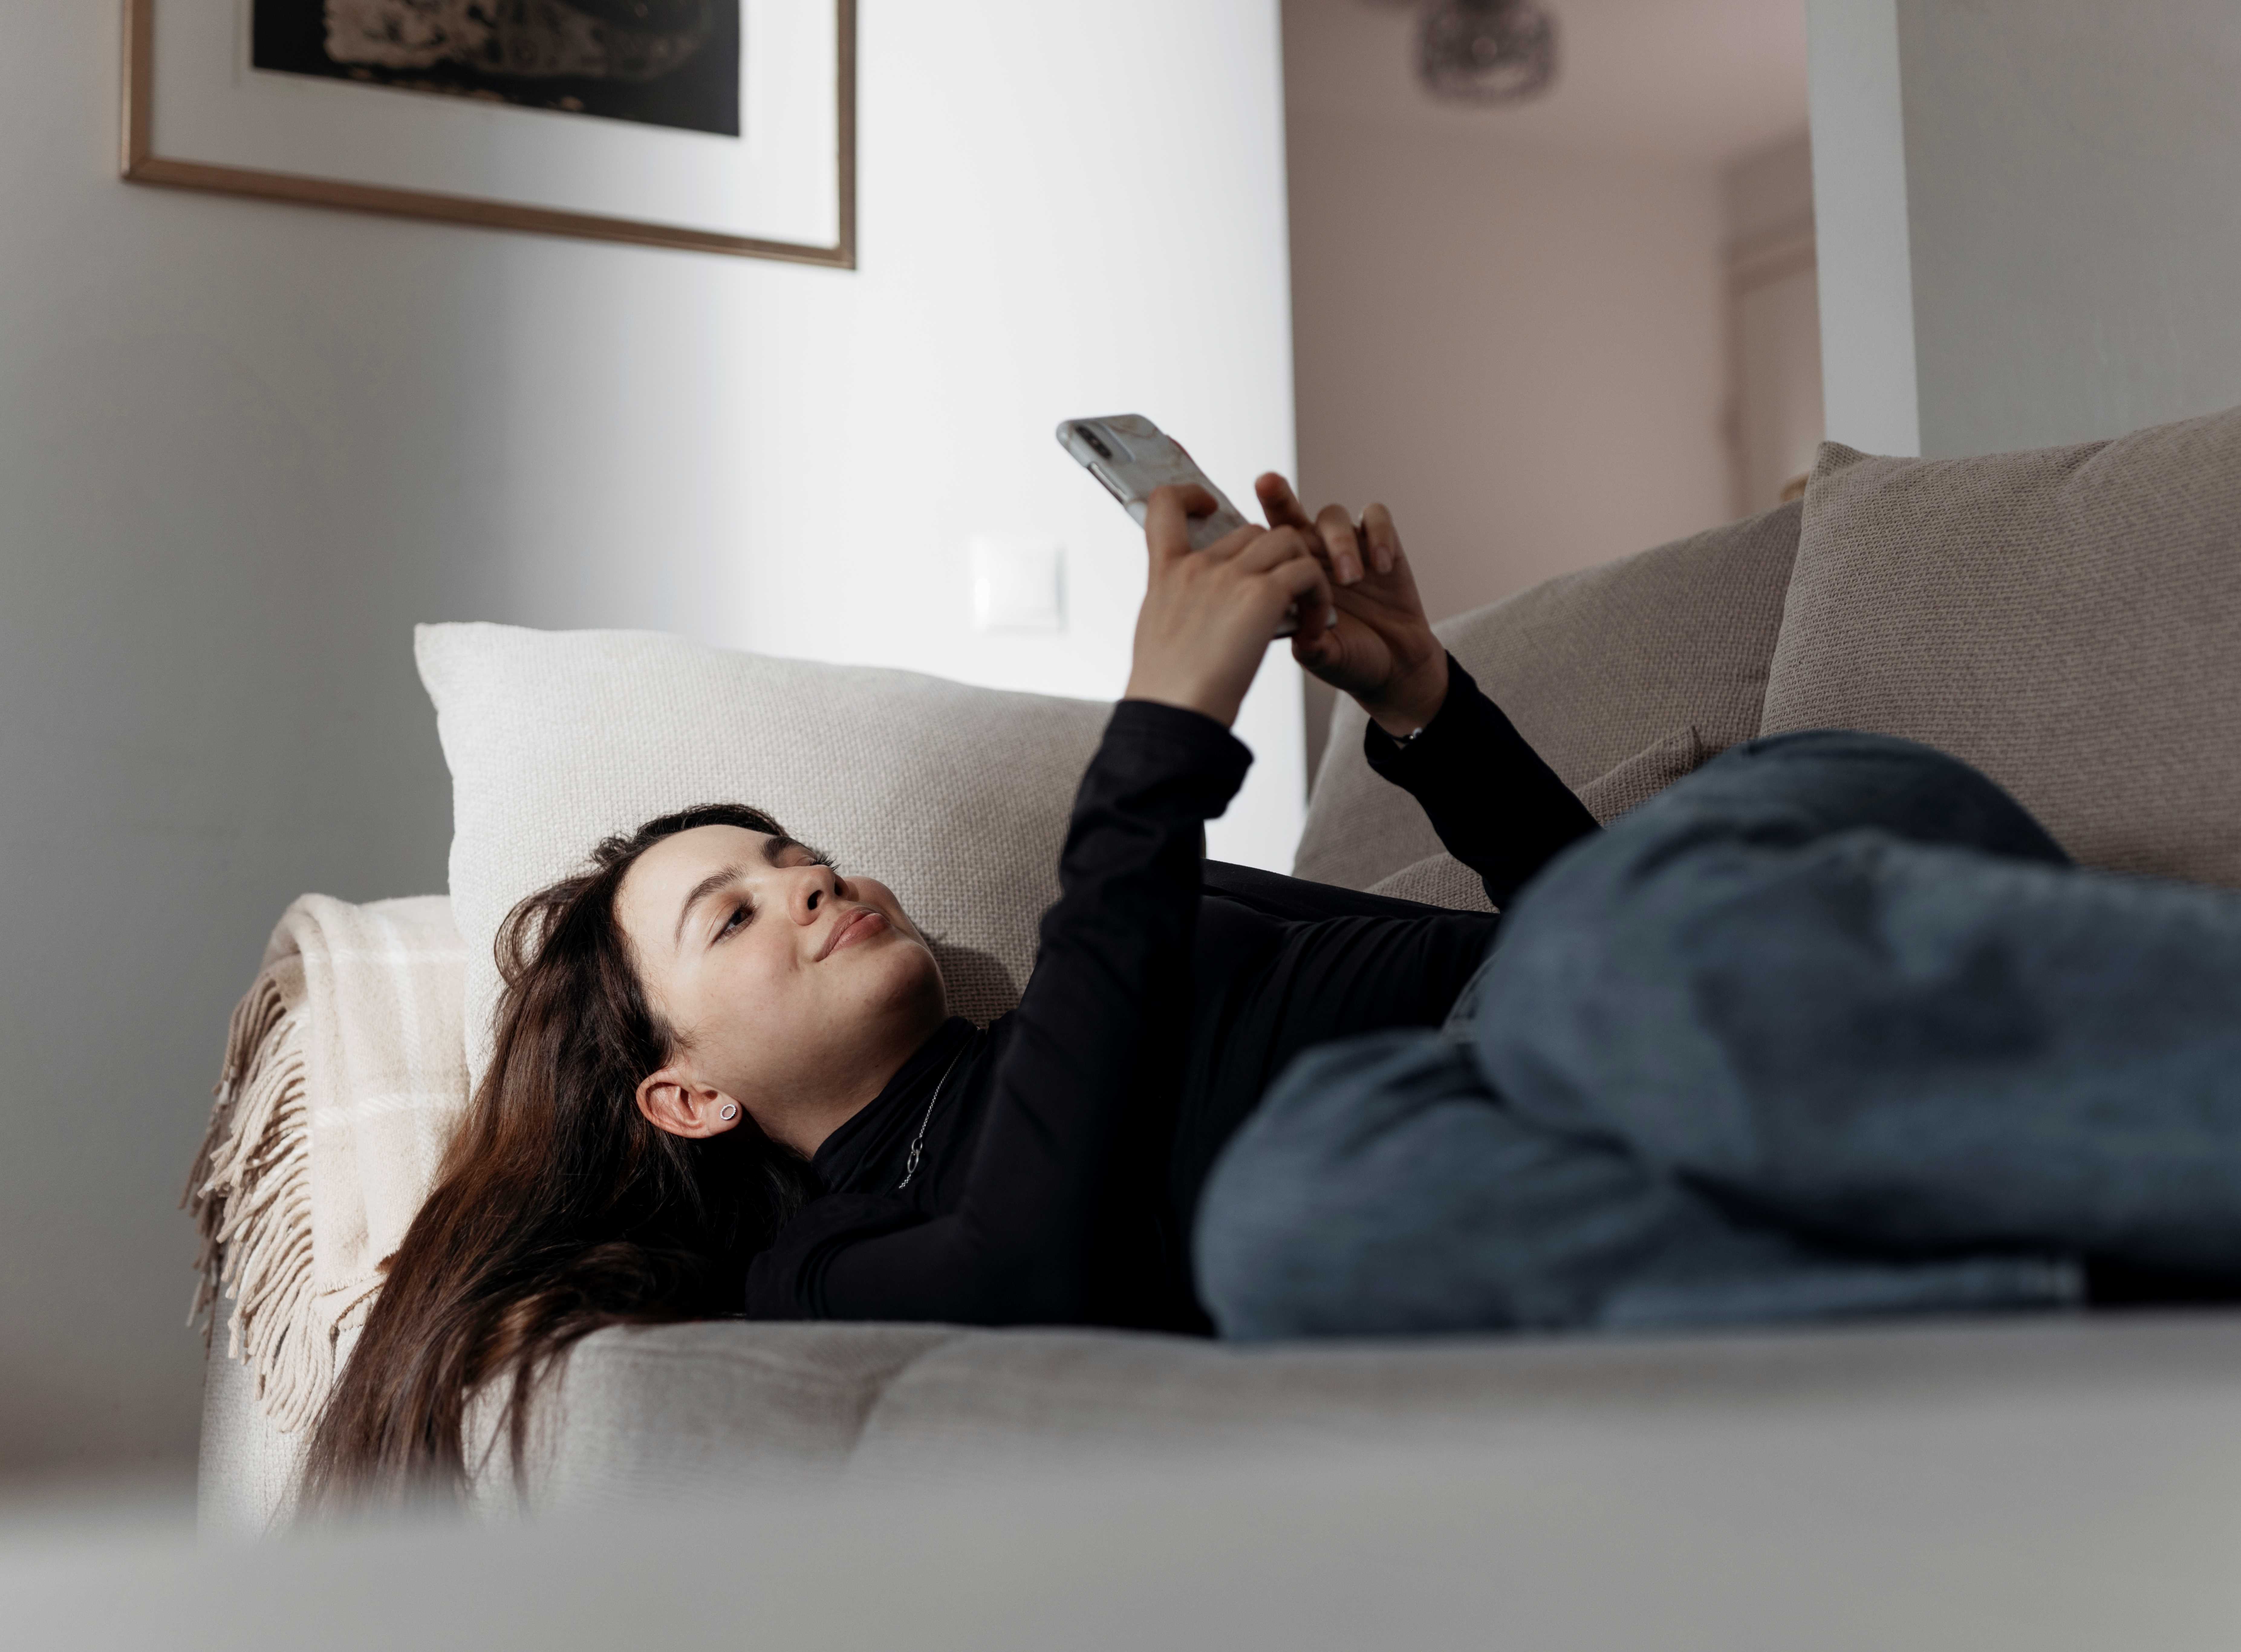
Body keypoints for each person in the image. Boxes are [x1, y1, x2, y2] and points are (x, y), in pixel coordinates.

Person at [307, 474, 1598, 1504]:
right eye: (735, 916)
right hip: (1516, 1128)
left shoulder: (1074, 1001)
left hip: (1601, 991)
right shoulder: (823, 1260)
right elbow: (1021, 1268)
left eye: (795, 855)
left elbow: (1581, 925)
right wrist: (1158, 731)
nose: (809, 882)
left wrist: (1422, 700)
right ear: (686, 1094)